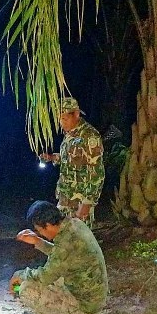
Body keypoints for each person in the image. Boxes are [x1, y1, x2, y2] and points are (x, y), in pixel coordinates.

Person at [11, 200, 108, 314]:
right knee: (52, 278)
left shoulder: (65, 242)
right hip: (93, 296)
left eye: (39, 230)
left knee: (25, 288)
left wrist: (20, 276)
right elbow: (63, 255)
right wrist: (38, 242)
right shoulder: (74, 224)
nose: (40, 233)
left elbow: (45, 276)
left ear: (48, 225)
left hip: (86, 308)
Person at [39, 97, 105, 226]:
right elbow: (72, 158)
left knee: (80, 238)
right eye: (60, 119)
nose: (61, 123)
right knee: (62, 235)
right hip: (65, 197)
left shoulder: (89, 136)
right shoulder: (70, 134)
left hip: (79, 201)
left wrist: (86, 203)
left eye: (65, 118)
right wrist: (53, 157)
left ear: (76, 114)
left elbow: (97, 172)